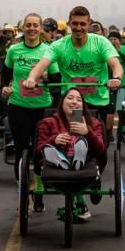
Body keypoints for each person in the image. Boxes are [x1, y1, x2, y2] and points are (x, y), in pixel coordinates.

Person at [1, 13, 60, 212]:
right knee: (21, 149)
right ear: (23, 28)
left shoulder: (48, 51)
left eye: (36, 25)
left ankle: (40, 191)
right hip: (18, 105)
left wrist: (44, 79)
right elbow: (5, 73)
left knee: (40, 151)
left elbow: (56, 80)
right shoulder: (13, 50)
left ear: (41, 28)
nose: (32, 29)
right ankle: (23, 193)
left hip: (42, 108)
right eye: (28, 25)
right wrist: (5, 87)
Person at [24, 6, 122, 120]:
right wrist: (31, 78)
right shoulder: (59, 45)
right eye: (75, 23)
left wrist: (117, 78)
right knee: (77, 131)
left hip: (98, 101)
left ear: (89, 23)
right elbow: (41, 65)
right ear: (69, 23)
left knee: (102, 134)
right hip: (73, 102)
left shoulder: (100, 42)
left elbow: (115, 64)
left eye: (83, 24)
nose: (78, 28)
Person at [35, 87, 106, 220]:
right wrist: (54, 140)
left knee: (81, 146)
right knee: (50, 150)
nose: (74, 102)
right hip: (56, 162)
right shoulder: (48, 122)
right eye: (70, 98)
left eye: (79, 100)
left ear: (83, 106)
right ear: (62, 102)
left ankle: (77, 157)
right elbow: (38, 152)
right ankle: (62, 160)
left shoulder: (94, 123)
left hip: (85, 162)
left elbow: (101, 152)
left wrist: (87, 133)